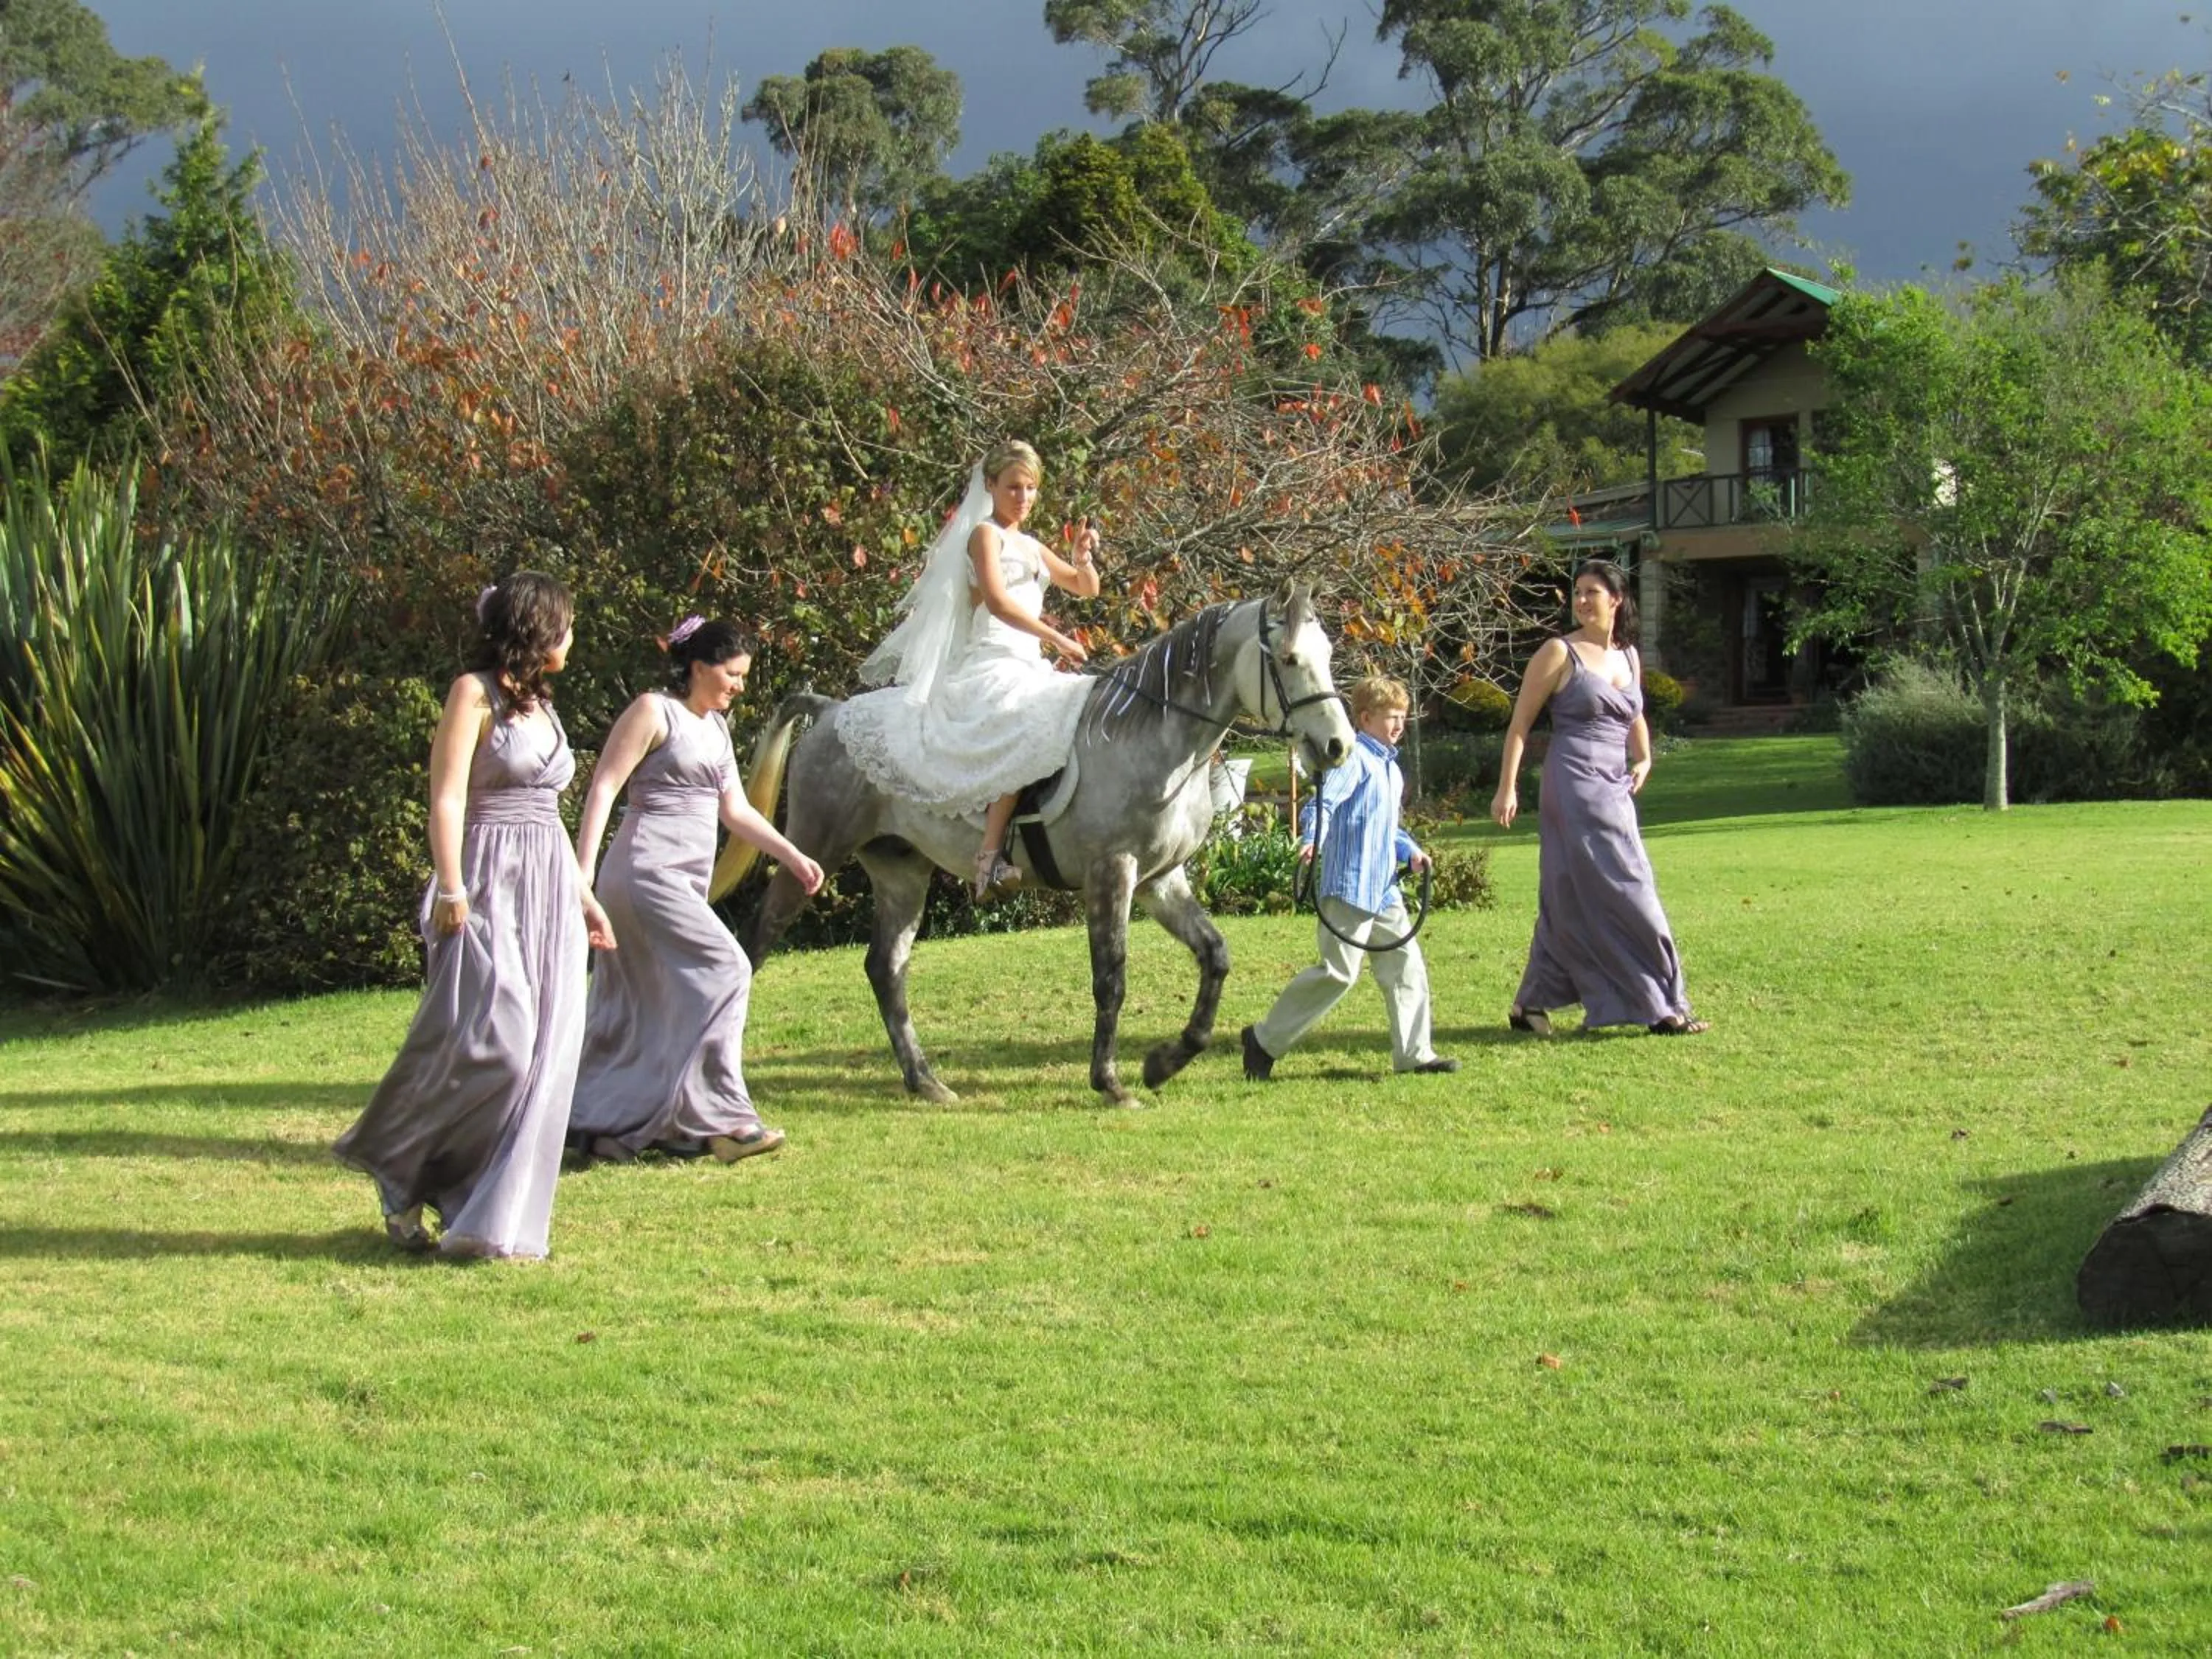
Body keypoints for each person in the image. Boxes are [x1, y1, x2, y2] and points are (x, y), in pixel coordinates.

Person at [335, 572, 616, 1258]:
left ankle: (490, 1217)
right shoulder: (473, 693)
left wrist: (585, 899)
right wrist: (453, 889)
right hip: (489, 879)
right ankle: (401, 1170)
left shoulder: (543, 707)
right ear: (539, 629)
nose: (573, 638)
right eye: (567, 625)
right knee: (500, 1046)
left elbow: (550, 817)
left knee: (547, 1056)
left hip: (548, 887)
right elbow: (447, 799)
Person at [568, 617, 825, 1163]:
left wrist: (793, 856)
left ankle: (607, 1127)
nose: (739, 685)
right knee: (727, 968)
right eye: (733, 674)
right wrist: (582, 876)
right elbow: (605, 787)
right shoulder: (653, 711)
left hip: (680, 879)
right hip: (644, 874)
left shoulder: (716, 728)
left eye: (743, 676)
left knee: (644, 1002)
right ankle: (725, 1120)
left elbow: (736, 811)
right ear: (700, 666)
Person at [835, 439, 1102, 897]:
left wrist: (1082, 560)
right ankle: (989, 859)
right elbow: (997, 603)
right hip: (992, 657)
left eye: (1031, 488)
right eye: (1014, 487)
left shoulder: (1033, 546)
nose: (1023, 497)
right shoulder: (986, 534)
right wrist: (1056, 638)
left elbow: (1086, 589)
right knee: (1021, 725)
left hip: (1027, 660)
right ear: (991, 485)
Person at [1489, 559, 1708, 1037]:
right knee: (1631, 890)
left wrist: (1645, 758)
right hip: (1572, 785)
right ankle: (1664, 1007)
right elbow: (1520, 725)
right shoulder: (1557, 652)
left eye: (1593, 592)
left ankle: (1530, 1004)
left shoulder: (1628, 656)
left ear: (1617, 599)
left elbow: (1634, 713)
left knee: (1572, 894)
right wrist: (1507, 787)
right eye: (1579, 592)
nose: (1583, 600)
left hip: (1614, 787)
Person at [1239, 675, 1459, 1081]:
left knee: (1406, 967)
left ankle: (1415, 1054)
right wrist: (1312, 839)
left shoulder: (1389, 769)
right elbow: (1323, 804)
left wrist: (1410, 851)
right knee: (1338, 973)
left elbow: (1387, 828)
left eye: (1402, 717)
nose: (1398, 725)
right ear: (1365, 717)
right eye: (1391, 717)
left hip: (1383, 890)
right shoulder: (1354, 758)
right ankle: (1264, 1040)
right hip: (1348, 885)